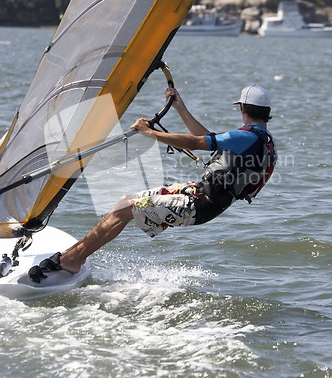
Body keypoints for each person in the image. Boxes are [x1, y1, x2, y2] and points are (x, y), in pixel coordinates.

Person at [29, 84, 277, 283]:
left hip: (199, 204)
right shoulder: (261, 140)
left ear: (242, 107)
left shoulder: (245, 136)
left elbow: (194, 143)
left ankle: (72, 260)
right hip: (200, 196)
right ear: (265, 111)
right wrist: (180, 107)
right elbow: (206, 138)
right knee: (124, 202)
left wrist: (150, 134)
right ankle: (74, 255)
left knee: (125, 210)